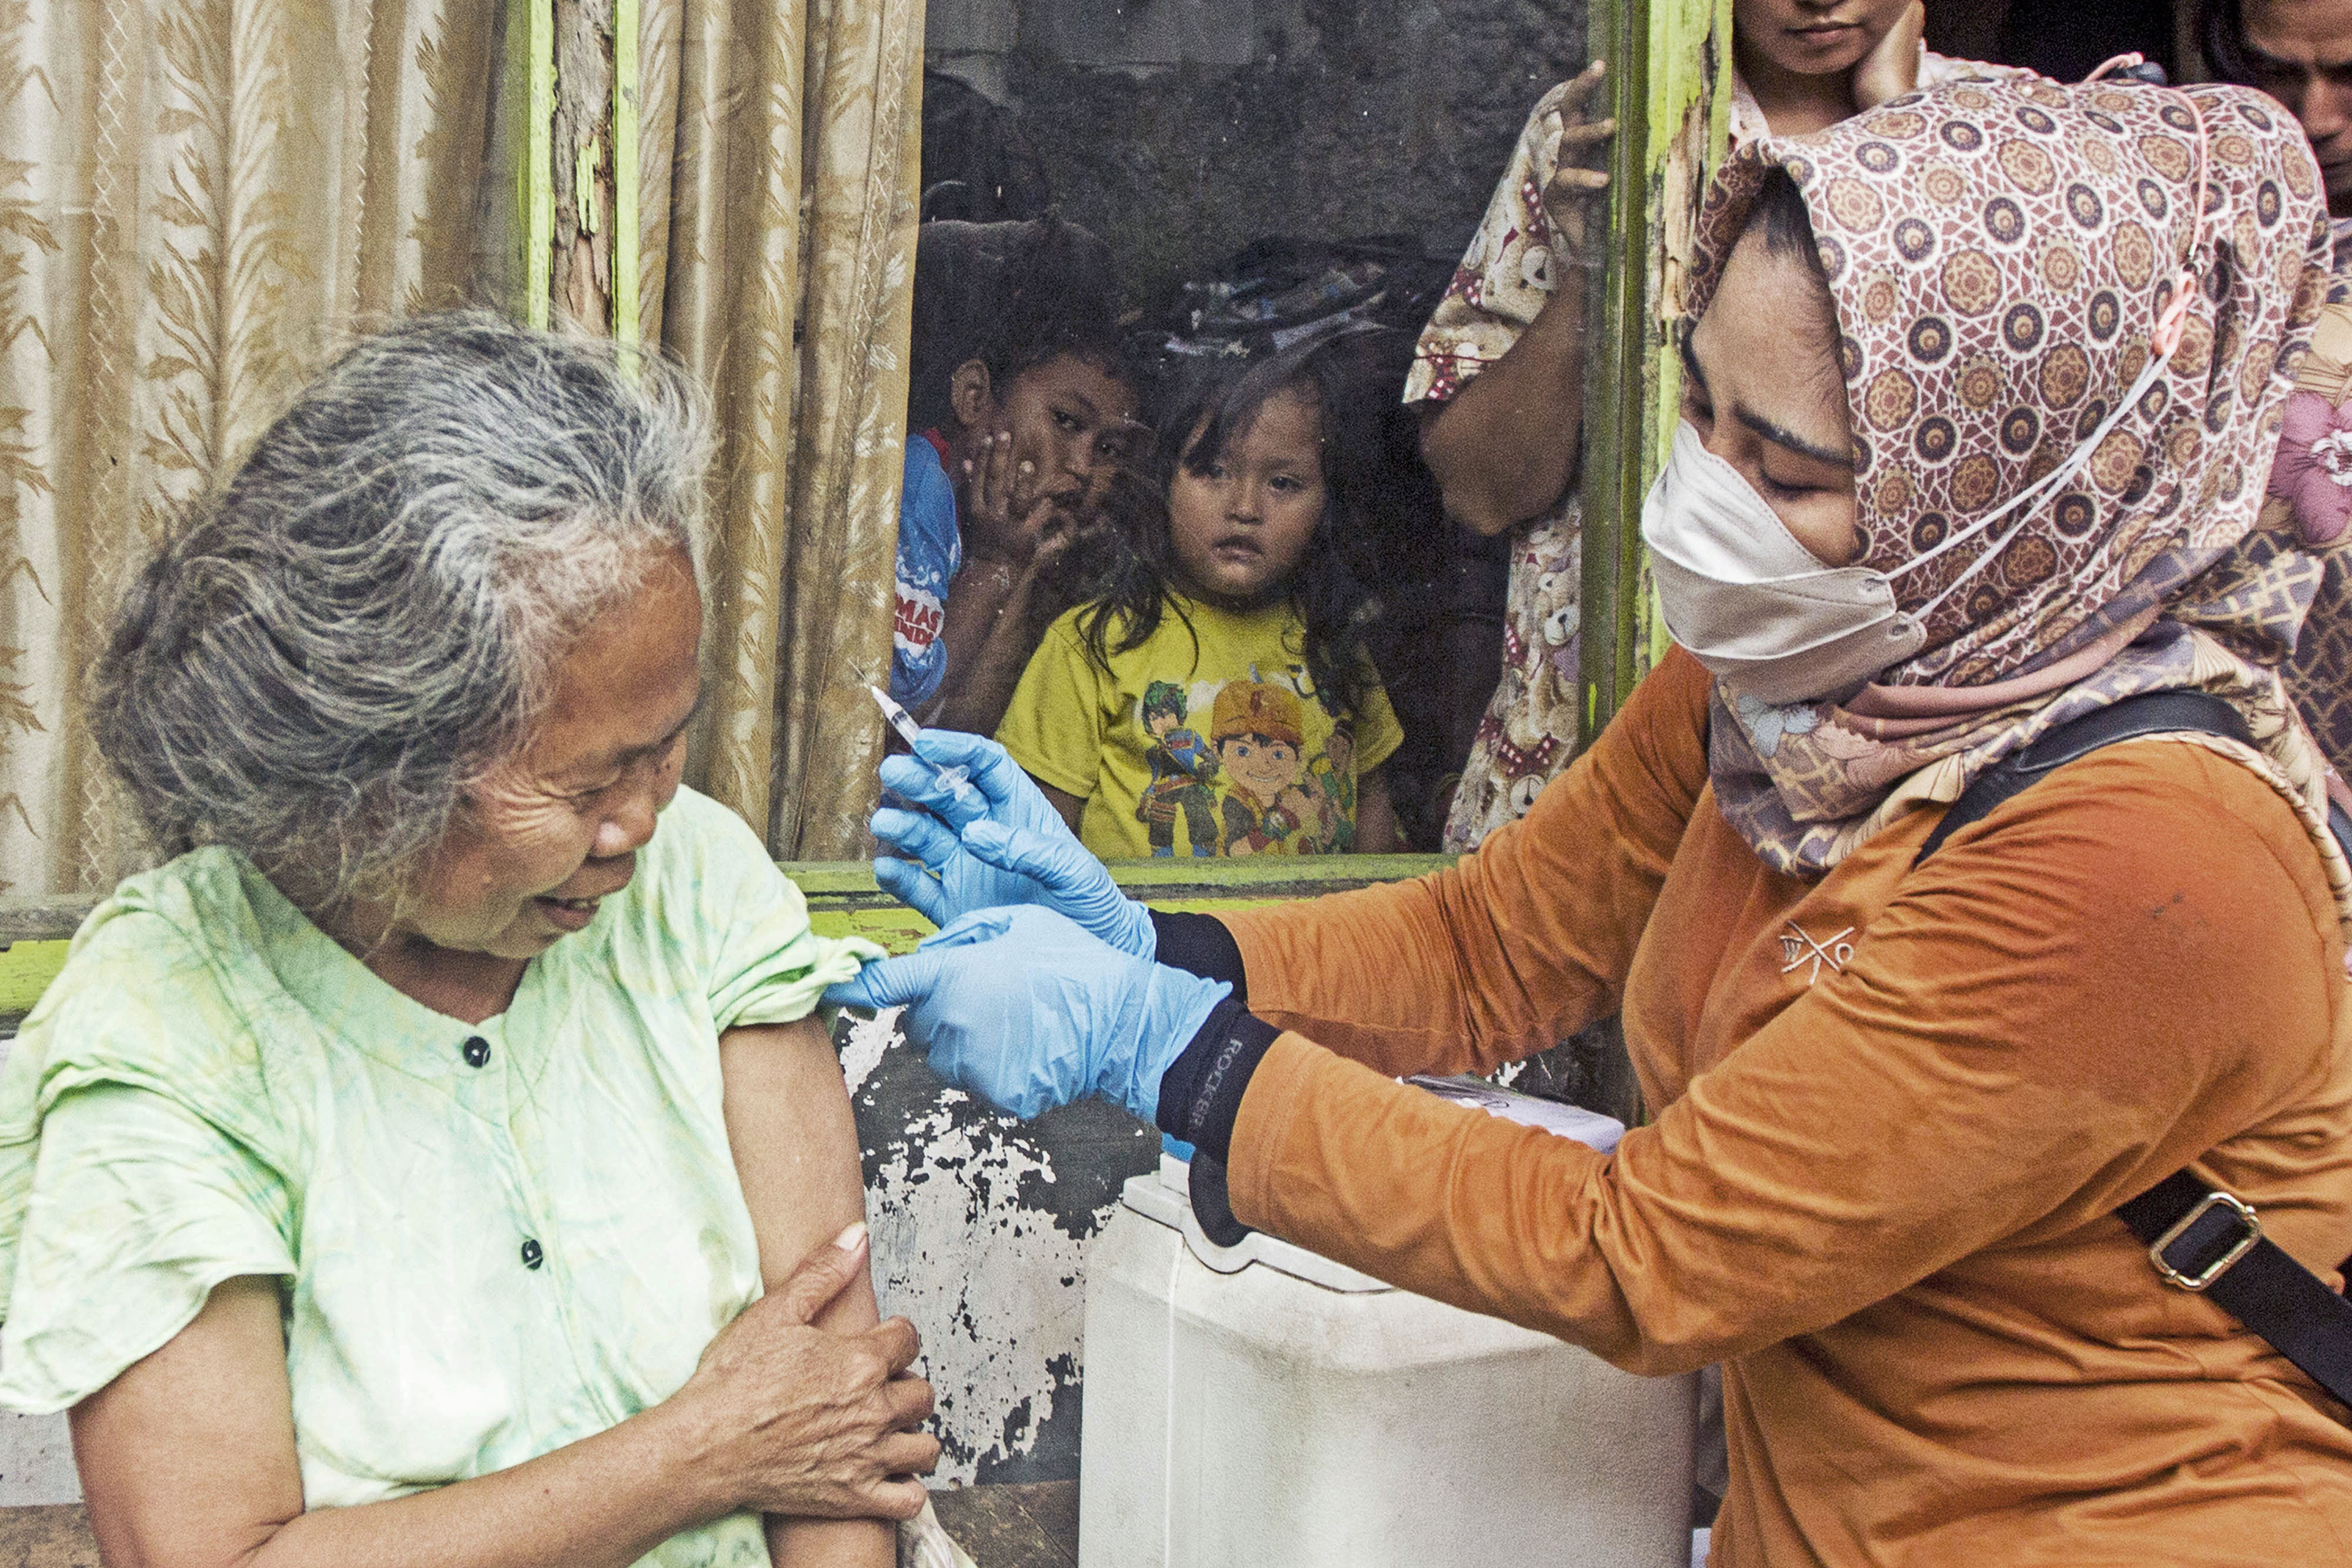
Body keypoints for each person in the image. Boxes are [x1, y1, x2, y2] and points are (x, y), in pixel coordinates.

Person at [836, 73, 2352, 1564]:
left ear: (2011, 509)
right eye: (1700, 409)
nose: (1711, 498)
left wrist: (1172, 1050)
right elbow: (1489, 943)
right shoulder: (1785, 675)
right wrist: (1157, 945)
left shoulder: (2147, 851)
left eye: (1789, 470)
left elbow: (1649, 1249)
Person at [0, 316, 944, 1568]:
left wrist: (774, 1447)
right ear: (362, 787)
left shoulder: (698, 878)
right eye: (588, 784)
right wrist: (702, 1451)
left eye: (669, 740)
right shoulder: (167, 1025)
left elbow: (835, 1435)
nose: (644, 817)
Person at [1415, 2, 2027, 851]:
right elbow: (1479, 492)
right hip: (1583, 761)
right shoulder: (1609, 123)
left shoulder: (2007, 130)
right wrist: (1595, 269)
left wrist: (1905, 132)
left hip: (1878, 779)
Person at [993, 333, 1405, 858]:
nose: (1245, 508)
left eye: (1282, 483)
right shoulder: (1091, 645)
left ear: (1326, 501)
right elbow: (1036, 843)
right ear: (1163, 481)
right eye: (1213, 471)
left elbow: (1372, 812)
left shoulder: (1334, 643)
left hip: (1317, 917)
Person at [893, 216, 1141, 738]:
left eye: (1108, 449)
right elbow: (902, 714)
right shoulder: (919, 489)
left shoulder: (999, 529)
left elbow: (959, 733)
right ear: (975, 397)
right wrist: (995, 565)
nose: (1082, 468)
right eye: (1065, 422)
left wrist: (1023, 569)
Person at [2205, 0, 2352, 788]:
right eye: (2272, 72)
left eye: (2351, 77)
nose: (2314, 118)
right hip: (2236, 765)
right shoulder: (2174, 234)